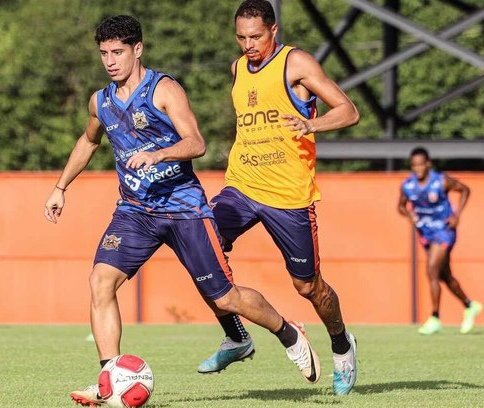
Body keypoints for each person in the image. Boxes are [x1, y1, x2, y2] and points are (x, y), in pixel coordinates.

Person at [43, 15, 321, 407]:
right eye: (104, 53)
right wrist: (60, 187)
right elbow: (88, 142)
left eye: (118, 52)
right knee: (100, 283)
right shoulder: (100, 101)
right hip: (135, 211)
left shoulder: (164, 90)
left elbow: (196, 142)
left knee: (225, 299)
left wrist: (158, 154)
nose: (110, 61)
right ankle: (108, 380)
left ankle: (288, 333)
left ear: (137, 50)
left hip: (185, 209)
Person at [196, 0, 360, 396]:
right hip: (242, 187)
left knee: (308, 288)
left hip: (288, 196)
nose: (248, 44)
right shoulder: (237, 69)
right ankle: (237, 338)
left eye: (255, 36)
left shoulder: (296, 63)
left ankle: (341, 343)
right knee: (199, 247)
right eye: (241, 37)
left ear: (273, 30)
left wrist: (310, 123)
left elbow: (349, 111)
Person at [398, 147, 483, 335]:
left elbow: (465, 190)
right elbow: (401, 206)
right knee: (444, 275)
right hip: (426, 233)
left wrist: (457, 215)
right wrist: (409, 214)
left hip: (444, 231)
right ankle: (470, 305)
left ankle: (435, 317)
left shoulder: (441, 181)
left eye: (421, 164)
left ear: (428, 164)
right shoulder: (408, 185)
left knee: (431, 270)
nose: (418, 168)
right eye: (414, 165)